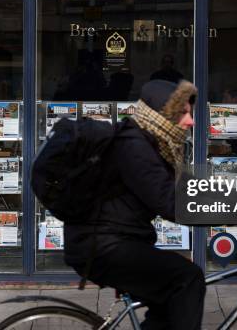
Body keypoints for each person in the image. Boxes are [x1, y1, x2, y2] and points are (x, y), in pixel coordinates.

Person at [64, 79, 204, 330]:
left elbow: (187, 189)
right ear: (163, 115)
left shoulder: (153, 143)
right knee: (188, 279)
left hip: (113, 240)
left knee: (168, 304)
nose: (191, 121)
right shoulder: (134, 146)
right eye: (184, 113)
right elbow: (171, 203)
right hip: (102, 247)